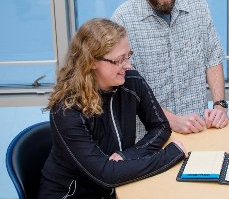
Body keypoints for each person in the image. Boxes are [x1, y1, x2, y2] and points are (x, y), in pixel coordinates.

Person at [38, 19, 187, 199]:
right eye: (118, 60)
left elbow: (161, 126)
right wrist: (170, 155)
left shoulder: (131, 82)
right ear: (91, 61)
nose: (128, 65)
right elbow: (106, 174)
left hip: (116, 189)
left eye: (128, 56)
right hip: (71, 195)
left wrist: (127, 156)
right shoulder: (66, 109)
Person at [112, 0, 228, 136]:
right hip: (150, 137)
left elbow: (212, 59)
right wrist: (171, 120)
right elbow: (125, 87)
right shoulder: (123, 19)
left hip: (199, 130)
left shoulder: (197, 4)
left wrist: (220, 105)